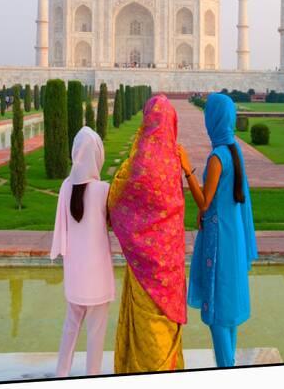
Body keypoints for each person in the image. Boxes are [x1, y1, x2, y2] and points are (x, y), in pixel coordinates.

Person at [108, 94, 187, 374]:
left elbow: (116, 199)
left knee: (145, 324)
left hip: (144, 265)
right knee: (163, 324)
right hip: (170, 266)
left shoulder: (139, 161)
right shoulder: (173, 161)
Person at [178, 92, 258, 368]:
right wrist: (204, 212)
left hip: (219, 239)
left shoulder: (216, 157)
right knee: (229, 312)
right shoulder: (234, 151)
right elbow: (225, 197)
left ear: (214, 119)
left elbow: (204, 199)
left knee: (217, 316)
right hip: (232, 235)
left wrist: (187, 169)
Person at [50, 126, 115, 377]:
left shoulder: (66, 187)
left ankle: (61, 373)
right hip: (97, 273)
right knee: (96, 332)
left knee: (71, 325)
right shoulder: (103, 190)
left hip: (75, 271)